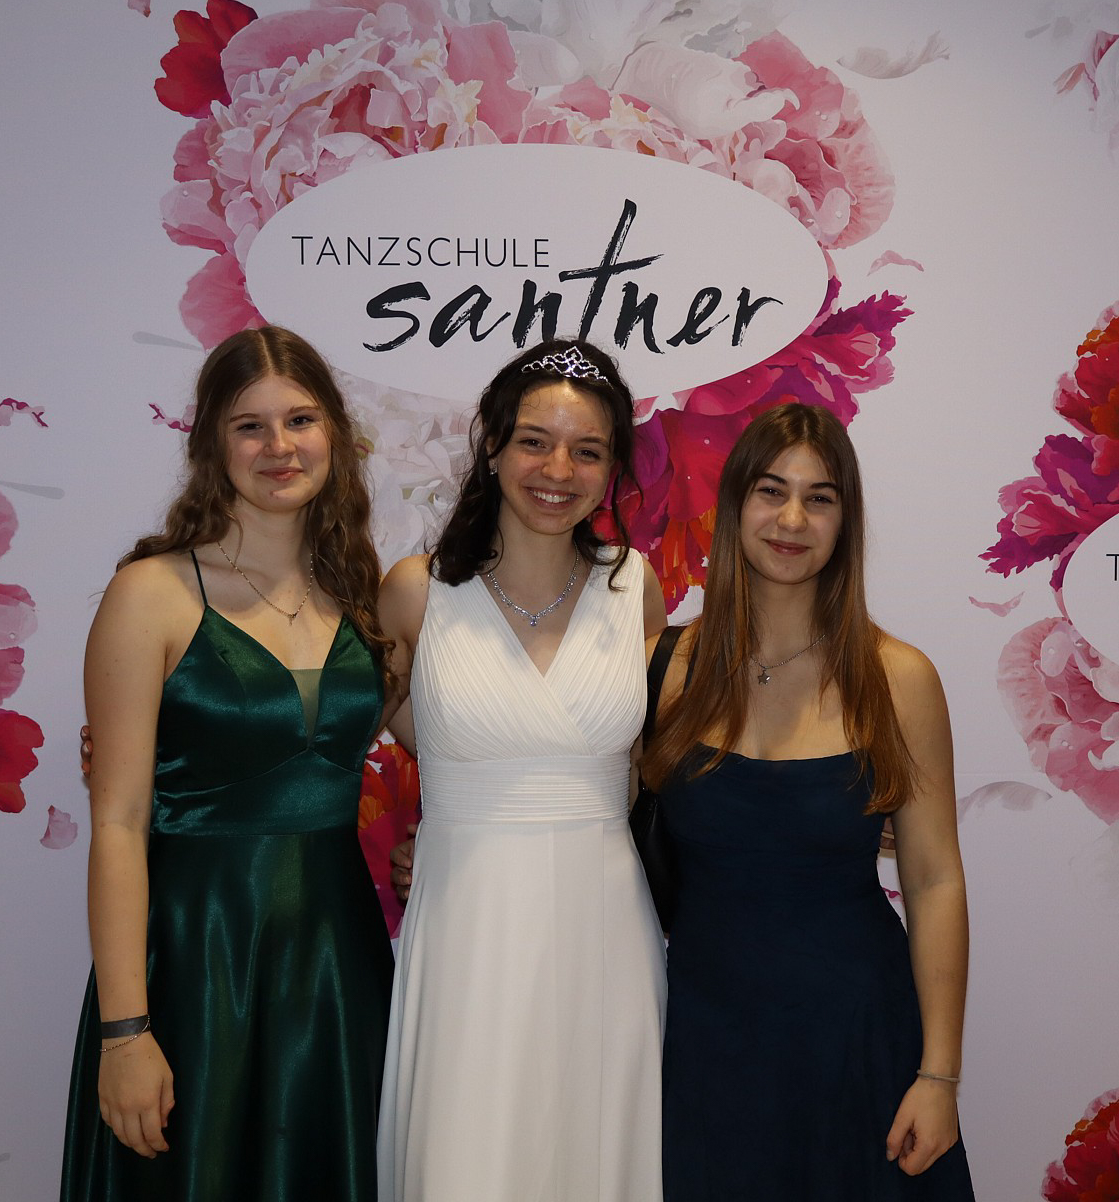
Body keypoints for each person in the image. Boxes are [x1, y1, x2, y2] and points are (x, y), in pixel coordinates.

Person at [59, 326, 395, 1202]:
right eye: (250, 426)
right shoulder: (151, 593)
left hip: (335, 964)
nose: (279, 446)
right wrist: (124, 1031)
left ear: (335, 433)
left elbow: (449, 734)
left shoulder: (364, 595)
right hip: (194, 961)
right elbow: (118, 822)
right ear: (213, 441)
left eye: (300, 420)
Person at [641, 403, 976, 1201]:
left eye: (819, 498)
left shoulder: (898, 678)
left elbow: (934, 880)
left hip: (858, 1042)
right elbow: (591, 823)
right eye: (771, 491)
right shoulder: (661, 668)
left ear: (844, 521)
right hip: (704, 1044)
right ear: (734, 505)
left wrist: (939, 1076)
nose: (792, 519)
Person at [375, 338, 667, 1202]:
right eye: (535, 441)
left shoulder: (637, 588)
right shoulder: (415, 591)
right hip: (469, 929)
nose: (558, 470)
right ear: (494, 445)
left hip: (604, 932)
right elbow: (322, 730)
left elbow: (662, 762)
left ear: (612, 469)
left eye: (588, 450)